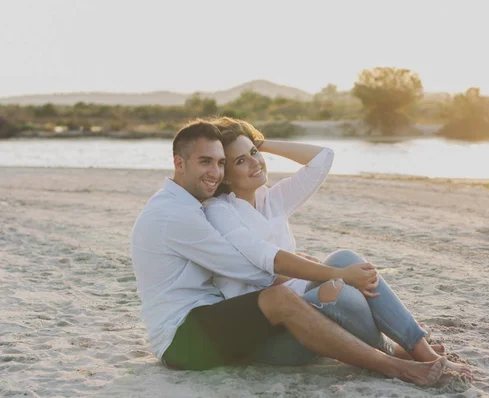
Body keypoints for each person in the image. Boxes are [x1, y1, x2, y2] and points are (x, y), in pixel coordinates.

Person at [130, 118, 462, 388]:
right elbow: (253, 269)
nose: (214, 173)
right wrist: (327, 274)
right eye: (207, 162)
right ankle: (395, 363)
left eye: (219, 163)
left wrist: (256, 141)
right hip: (183, 337)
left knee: (341, 259)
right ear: (179, 162)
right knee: (295, 295)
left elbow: (321, 160)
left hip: (223, 320)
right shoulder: (179, 214)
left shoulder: (195, 205)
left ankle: (419, 350)